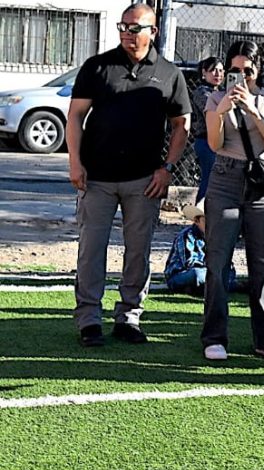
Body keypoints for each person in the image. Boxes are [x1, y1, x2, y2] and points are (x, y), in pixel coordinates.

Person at [66, 3, 191, 348]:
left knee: (138, 251)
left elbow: (182, 125)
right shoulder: (97, 67)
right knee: (92, 250)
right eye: (123, 26)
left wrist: (167, 168)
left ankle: (129, 317)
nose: (127, 32)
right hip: (97, 178)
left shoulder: (169, 73)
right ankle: (89, 319)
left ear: (154, 32)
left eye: (135, 27)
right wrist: (74, 162)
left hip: (144, 181)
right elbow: (75, 116)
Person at [201, 40, 264, 361]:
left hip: (259, 185)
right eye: (234, 71)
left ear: (258, 71)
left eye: (247, 71)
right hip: (225, 178)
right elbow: (214, 143)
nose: (241, 78)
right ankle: (214, 337)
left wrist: (252, 107)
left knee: (263, 262)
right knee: (218, 261)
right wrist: (222, 111)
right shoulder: (215, 98)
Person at [164, 203, 237, 296]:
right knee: (197, 274)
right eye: (207, 220)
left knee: (227, 273)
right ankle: (225, 285)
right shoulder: (187, 235)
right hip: (181, 274)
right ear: (196, 220)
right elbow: (189, 263)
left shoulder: (218, 236)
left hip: (208, 271)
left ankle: (203, 287)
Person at [192, 57, 224, 203]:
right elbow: (212, 110)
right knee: (209, 179)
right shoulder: (202, 92)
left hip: (221, 140)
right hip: (205, 140)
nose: (218, 74)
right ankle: (200, 220)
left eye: (221, 70)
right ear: (204, 72)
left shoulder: (222, 92)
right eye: (213, 70)